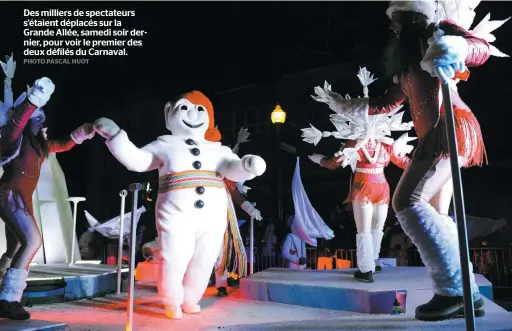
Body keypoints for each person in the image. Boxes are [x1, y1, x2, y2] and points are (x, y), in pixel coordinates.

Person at [310, 1, 508, 321]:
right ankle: (464, 289)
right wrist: (339, 103)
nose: (392, 27)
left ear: (412, 17)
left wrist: (455, 46)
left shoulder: (438, 33)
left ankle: (451, 291)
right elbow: (382, 105)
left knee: (406, 201)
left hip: (448, 130)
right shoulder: (405, 67)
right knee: (436, 213)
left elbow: (480, 48)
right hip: (436, 137)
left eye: (396, 20)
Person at [94, 91, 266, 319]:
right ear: (168, 114)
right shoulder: (164, 144)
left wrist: (248, 166)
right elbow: (138, 160)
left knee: (204, 260)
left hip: (212, 217)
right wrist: (116, 136)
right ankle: (172, 300)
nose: (191, 113)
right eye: (183, 108)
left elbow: (231, 168)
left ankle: (191, 298)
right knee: (175, 256)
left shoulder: (218, 150)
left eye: (199, 109)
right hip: (175, 213)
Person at [307, 67, 415, 283]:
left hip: (362, 188)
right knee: (377, 228)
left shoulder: (354, 142)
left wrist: (317, 158)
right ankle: (373, 262)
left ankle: (365, 269)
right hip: (383, 188)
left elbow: (333, 163)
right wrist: (427, 168)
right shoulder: (387, 143)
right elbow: (405, 163)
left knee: (363, 230)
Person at [0, 75, 95, 320]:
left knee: (16, 247)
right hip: (9, 195)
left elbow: (62, 144)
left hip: (21, 198)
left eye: (42, 116)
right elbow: (16, 123)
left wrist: (83, 132)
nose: (41, 119)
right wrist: (33, 99)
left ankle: (3, 289)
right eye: (37, 115)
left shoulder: (38, 146)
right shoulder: (13, 139)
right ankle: (9, 298)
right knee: (33, 240)